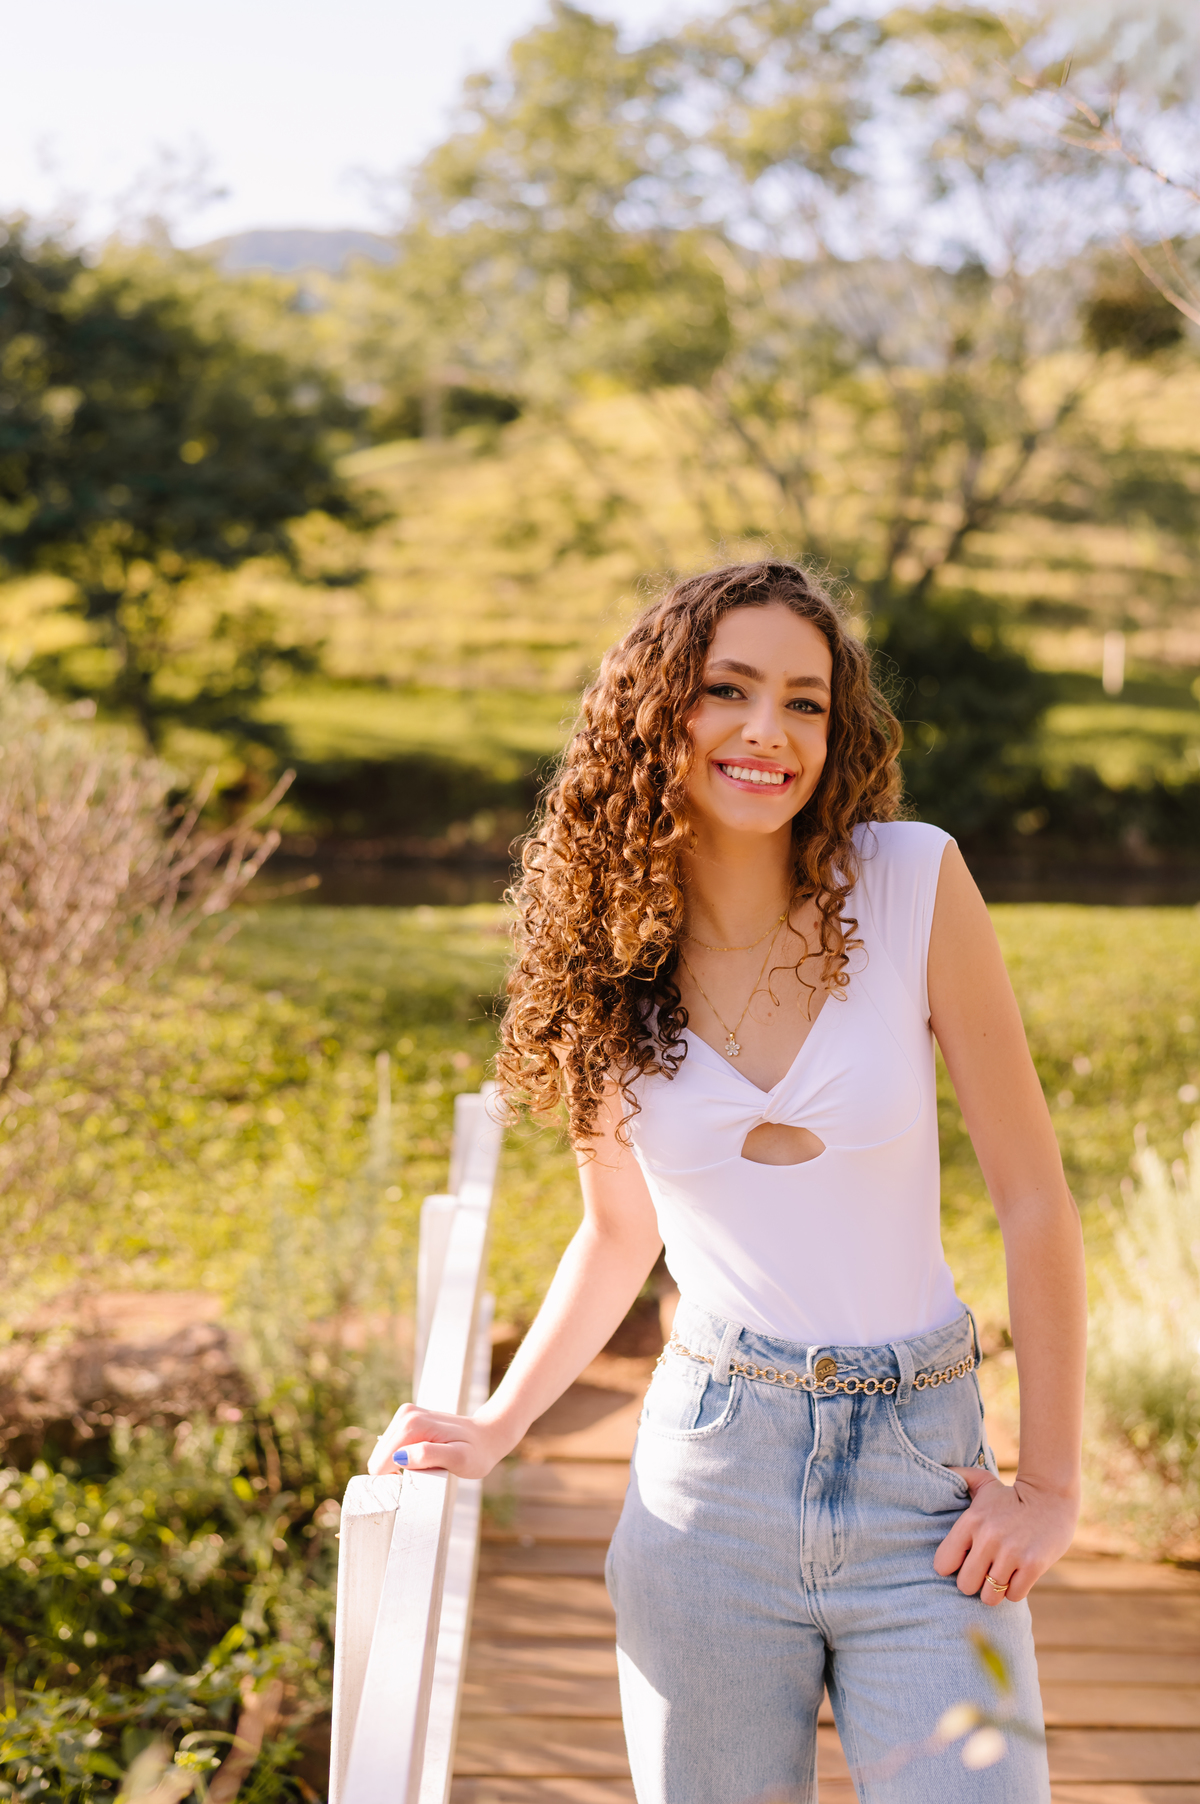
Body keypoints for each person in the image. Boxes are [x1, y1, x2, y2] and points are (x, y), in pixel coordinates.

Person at [369, 561, 1085, 1804]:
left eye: (806, 702)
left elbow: (1035, 1197)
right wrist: (497, 1423)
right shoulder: (603, 954)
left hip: (929, 1486)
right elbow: (614, 1234)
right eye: (729, 689)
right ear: (658, 714)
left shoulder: (915, 882)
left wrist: (1054, 1488)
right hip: (708, 1484)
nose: (770, 732)